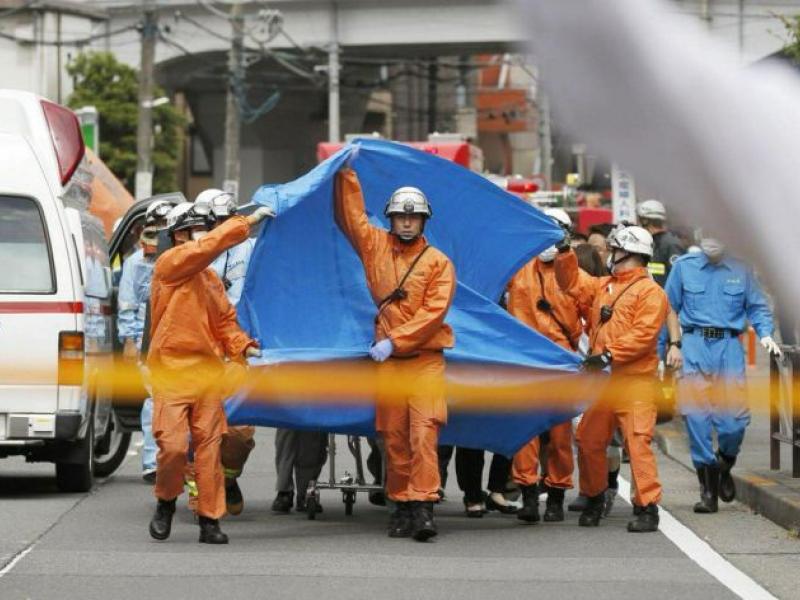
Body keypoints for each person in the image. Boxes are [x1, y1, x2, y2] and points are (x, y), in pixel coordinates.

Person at [334, 165, 456, 541]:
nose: (406, 222)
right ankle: (401, 505)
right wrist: (344, 174)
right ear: (390, 218)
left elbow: (433, 314)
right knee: (393, 437)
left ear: (423, 221)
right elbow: (350, 216)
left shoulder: (438, 263)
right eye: (400, 216)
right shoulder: (373, 246)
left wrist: (395, 341)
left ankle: (423, 508)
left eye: (413, 216)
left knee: (423, 434)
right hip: (389, 365)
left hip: (423, 362)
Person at [146, 201, 273, 544]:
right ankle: (165, 501)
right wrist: (242, 223)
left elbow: (224, 324)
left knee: (208, 450)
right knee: (172, 448)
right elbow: (206, 247)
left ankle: (210, 520)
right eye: (198, 229)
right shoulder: (169, 265)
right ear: (178, 236)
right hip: (171, 373)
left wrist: (243, 346)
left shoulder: (210, 279)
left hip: (206, 374)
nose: (203, 235)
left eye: (205, 228)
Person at [555, 223, 668, 532]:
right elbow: (571, 281)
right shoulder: (604, 285)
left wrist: (608, 354)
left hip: (634, 382)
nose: (610, 253)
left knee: (637, 442)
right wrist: (564, 252)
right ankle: (593, 497)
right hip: (604, 381)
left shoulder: (651, 293)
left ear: (627, 253)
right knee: (589, 439)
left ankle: (646, 507)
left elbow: (643, 335)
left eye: (615, 249)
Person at [664, 235, 780, 513]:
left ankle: (724, 463)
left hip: (728, 346)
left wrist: (765, 334)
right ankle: (708, 491)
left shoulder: (741, 269)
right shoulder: (684, 266)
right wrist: (669, 347)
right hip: (693, 344)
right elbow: (667, 308)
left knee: (733, 423)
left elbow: (757, 307)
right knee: (696, 418)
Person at [507, 208, 583, 523]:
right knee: (525, 431)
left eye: (558, 233)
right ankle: (527, 494)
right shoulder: (517, 269)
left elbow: (595, 309)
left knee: (560, 434)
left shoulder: (575, 275)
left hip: (561, 359)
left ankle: (556, 494)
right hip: (525, 358)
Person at [195, 188, 259, 517]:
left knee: (239, 432)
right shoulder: (193, 254)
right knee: (199, 428)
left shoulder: (256, 250)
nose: (219, 226)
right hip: (200, 350)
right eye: (212, 221)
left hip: (238, 349)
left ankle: (229, 478)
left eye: (224, 219)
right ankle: (202, 501)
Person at [117, 199, 176, 483]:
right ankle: (153, 463)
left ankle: (180, 459)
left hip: (181, 339)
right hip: (148, 340)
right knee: (155, 400)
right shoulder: (136, 263)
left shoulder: (185, 255)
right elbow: (128, 303)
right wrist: (130, 340)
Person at [636, 199, 685, 287]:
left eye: (640, 219)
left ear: (645, 221)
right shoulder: (648, 241)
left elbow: (679, 277)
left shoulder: (671, 244)